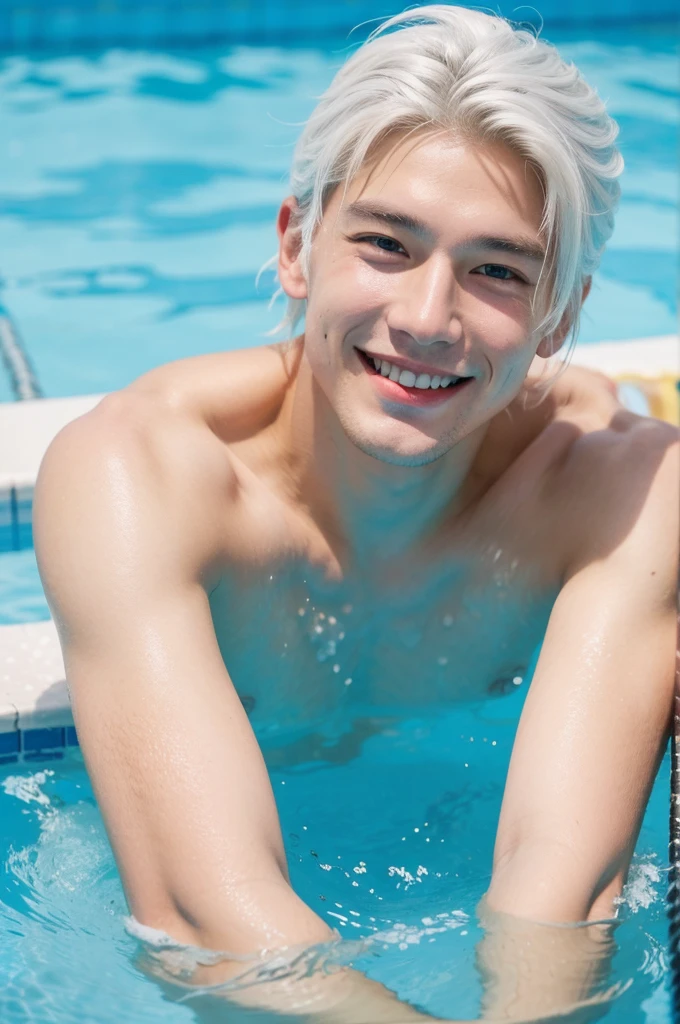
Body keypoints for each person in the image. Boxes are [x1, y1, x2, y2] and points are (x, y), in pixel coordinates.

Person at [33, 5, 678, 1020]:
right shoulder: (144, 477)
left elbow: (559, 900)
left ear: (558, 311)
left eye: (495, 270)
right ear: (296, 246)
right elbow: (208, 920)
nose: (427, 318)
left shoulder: (612, 496)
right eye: (385, 244)